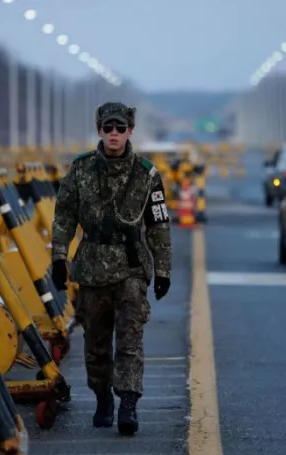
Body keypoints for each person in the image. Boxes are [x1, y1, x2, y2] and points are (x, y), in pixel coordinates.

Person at [50, 102, 172, 435]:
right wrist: (58, 258)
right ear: (100, 131)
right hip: (91, 270)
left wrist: (163, 270)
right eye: (108, 128)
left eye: (120, 128)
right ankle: (103, 397)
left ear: (130, 131)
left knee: (130, 341)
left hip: (131, 268)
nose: (114, 134)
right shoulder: (81, 169)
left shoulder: (147, 174)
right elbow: (63, 217)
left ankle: (128, 404)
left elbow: (159, 225)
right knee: (97, 344)